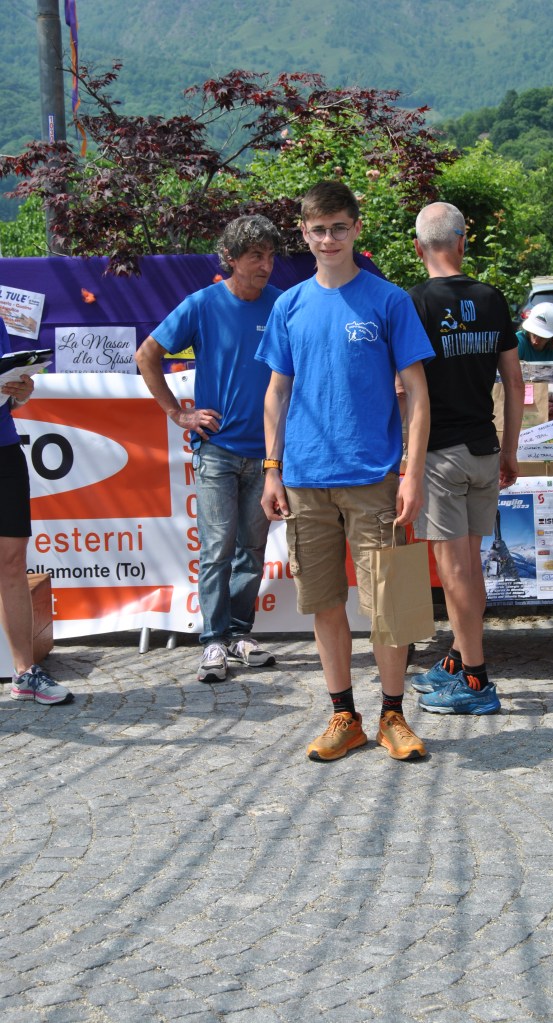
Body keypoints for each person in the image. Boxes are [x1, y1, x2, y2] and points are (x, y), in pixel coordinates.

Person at [257, 180, 434, 762]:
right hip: (304, 480)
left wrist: (411, 473)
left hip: (374, 478)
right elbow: (276, 392)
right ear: (304, 234)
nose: (329, 239)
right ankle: (344, 716)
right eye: (318, 229)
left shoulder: (389, 301)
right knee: (324, 602)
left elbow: (417, 393)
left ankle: (392, 716)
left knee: (390, 604)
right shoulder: (289, 305)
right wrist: (272, 470)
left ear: (357, 229)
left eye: (338, 228)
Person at [136, 215, 282, 682]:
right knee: (218, 549)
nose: (266, 265)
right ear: (231, 259)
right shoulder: (201, 305)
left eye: (270, 255)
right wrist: (178, 413)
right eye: (256, 256)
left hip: (268, 456)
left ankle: (239, 635)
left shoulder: (282, 305)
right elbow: (146, 355)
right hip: (217, 450)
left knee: (252, 550)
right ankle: (214, 641)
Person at [407, 201, 524, 714]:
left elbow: (403, 389)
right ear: (461, 243)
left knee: (454, 571)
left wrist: (406, 461)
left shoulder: (413, 303)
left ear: (418, 247)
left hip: (439, 455)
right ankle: (458, 658)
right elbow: (515, 382)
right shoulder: (491, 298)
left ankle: (476, 680)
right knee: (469, 568)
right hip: (483, 449)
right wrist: (510, 449)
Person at [0, 319, 73, 704]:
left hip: (4, 449)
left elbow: (9, 386)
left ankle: (24, 672)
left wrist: (21, 391)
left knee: (13, 562)